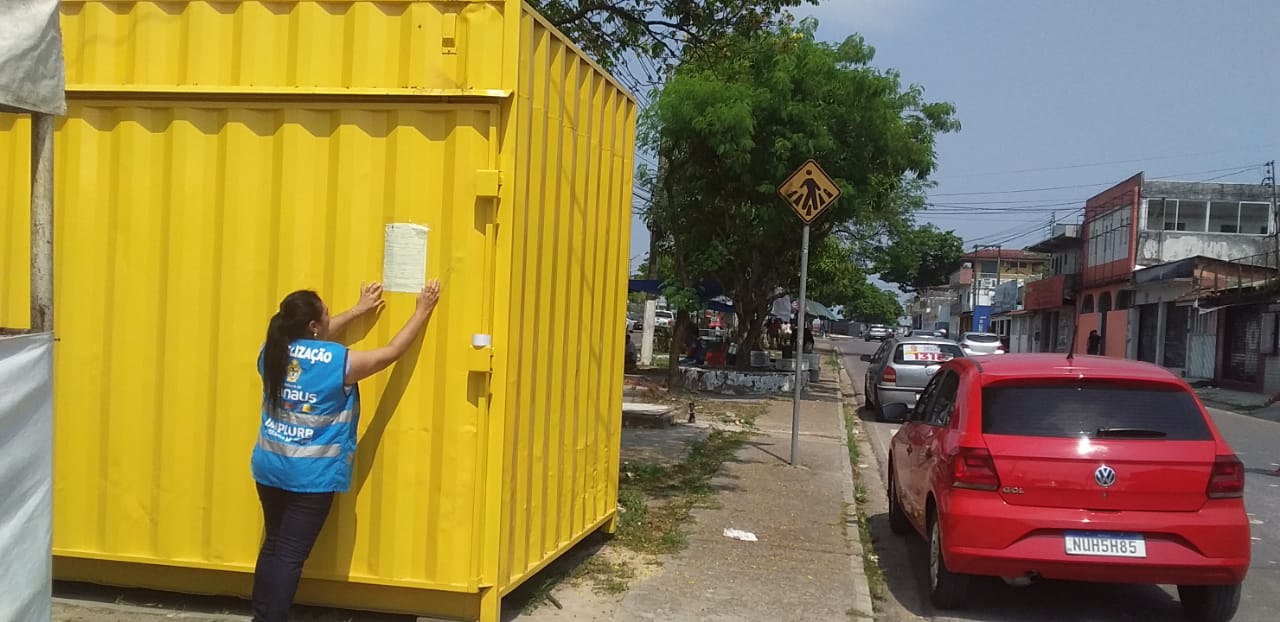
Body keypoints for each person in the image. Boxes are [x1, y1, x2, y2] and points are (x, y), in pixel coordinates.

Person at [250, 280, 442, 622]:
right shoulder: (337, 362)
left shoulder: (272, 353)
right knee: (291, 556)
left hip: (269, 469)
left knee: (274, 545)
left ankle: (263, 613)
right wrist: (422, 311)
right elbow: (391, 353)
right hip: (309, 478)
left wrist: (357, 312)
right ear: (313, 326)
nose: (329, 317)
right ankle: (272, 619)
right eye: (326, 314)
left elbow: (313, 340)